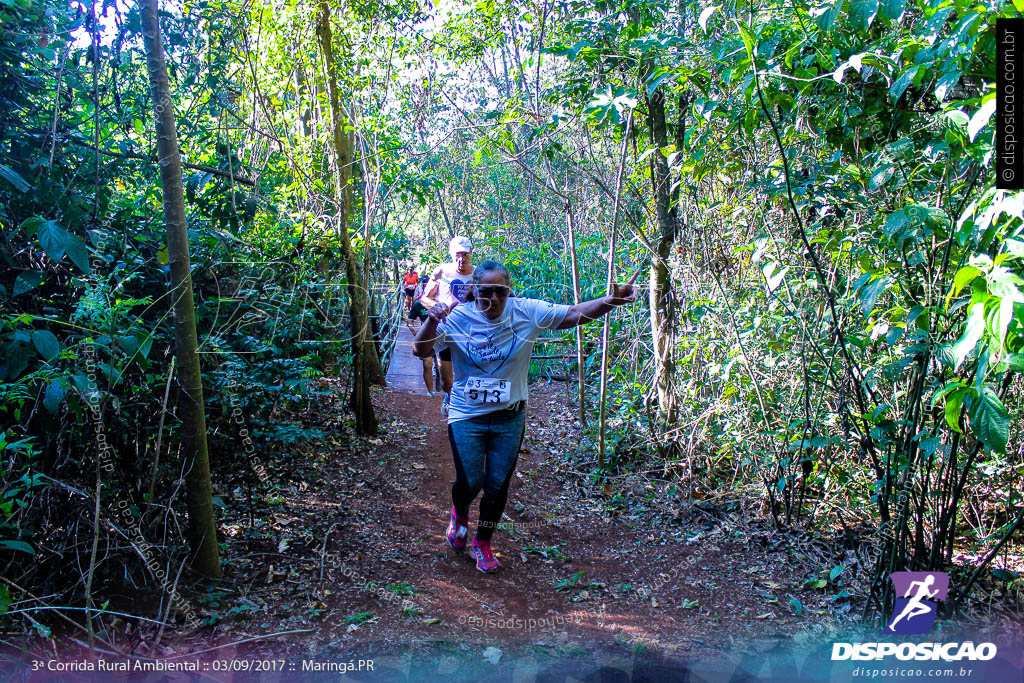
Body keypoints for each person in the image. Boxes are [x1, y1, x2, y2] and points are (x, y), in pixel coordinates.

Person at [412, 260, 638, 573]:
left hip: (509, 416)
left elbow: (572, 314)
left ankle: (483, 541)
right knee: (471, 480)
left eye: (500, 291)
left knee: (497, 484)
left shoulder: (526, 311)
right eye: (486, 291)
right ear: (474, 290)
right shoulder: (458, 317)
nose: (493, 298)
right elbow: (421, 351)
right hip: (466, 414)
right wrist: (432, 322)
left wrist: (611, 300)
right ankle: (460, 513)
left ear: (510, 292)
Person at [419, 236, 475, 416]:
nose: (462, 259)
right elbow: (425, 298)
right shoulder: (441, 272)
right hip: (447, 332)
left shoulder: (480, 274)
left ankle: (465, 410)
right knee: (447, 381)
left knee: (473, 374)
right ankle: (449, 397)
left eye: (465, 254)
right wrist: (438, 308)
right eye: (458, 254)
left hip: (472, 333)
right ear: (452, 254)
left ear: (471, 254)